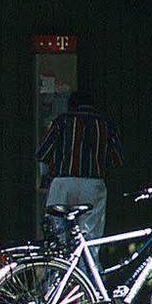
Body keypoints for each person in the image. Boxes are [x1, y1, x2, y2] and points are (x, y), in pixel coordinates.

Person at [37, 95, 122, 240]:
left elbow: (44, 154)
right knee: (90, 237)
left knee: (58, 233)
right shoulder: (105, 124)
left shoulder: (62, 121)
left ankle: (60, 262)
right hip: (93, 184)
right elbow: (116, 159)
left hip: (63, 182)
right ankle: (86, 262)